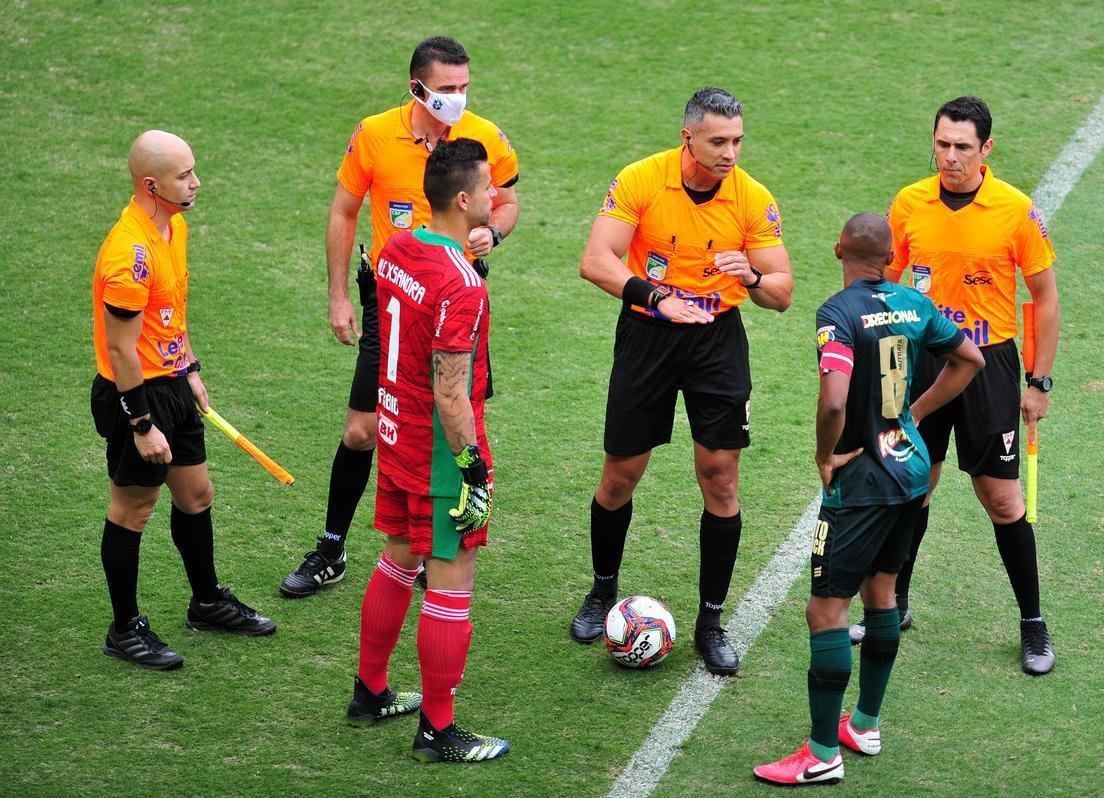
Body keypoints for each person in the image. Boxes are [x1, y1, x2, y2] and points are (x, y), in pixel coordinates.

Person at [280, 35, 519, 598]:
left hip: (454, 298)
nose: (457, 100)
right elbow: (344, 211)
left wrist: (495, 231)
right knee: (365, 429)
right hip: (392, 296)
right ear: (416, 87)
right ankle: (332, 546)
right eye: (445, 90)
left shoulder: (484, 139)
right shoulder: (374, 134)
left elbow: (507, 200)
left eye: (464, 87)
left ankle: (417, 549)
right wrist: (339, 296)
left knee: (445, 417)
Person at [753, 212, 983, 786]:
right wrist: (918, 414)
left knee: (825, 609)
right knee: (882, 592)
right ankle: (866, 723)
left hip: (861, 486)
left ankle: (823, 754)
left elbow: (834, 401)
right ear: (891, 258)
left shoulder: (838, 312)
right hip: (908, 473)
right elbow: (971, 359)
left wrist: (826, 454)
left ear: (838, 251)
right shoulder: (913, 303)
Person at [572, 87, 793, 677]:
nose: (730, 153)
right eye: (718, 141)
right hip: (649, 333)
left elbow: (782, 293)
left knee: (720, 478)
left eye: (738, 140)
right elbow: (597, 259)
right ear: (687, 136)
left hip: (717, 340)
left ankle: (710, 620)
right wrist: (657, 299)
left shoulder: (752, 198)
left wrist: (749, 276)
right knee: (621, 473)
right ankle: (601, 591)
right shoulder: (642, 180)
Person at [863, 96, 1060, 676]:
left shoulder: (1016, 210)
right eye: (942, 144)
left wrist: (1039, 382)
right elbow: (887, 286)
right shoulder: (908, 203)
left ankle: (1032, 623)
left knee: (1001, 498)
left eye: (963, 147)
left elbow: (1044, 299)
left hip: (987, 365)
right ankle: (892, 606)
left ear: (986, 150)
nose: (950, 157)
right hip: (919, 360)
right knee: (911, 483)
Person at [345, 138, 509, 763]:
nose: (496, 198)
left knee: (396, 557)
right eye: (490, 188)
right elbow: (451, 391)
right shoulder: (461, 284)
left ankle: (371, 690)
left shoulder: (398, 245)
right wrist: (472, 469)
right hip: (440, 449)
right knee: (449, 579)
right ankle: (439, 730)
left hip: (394, 430)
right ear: (463, 199)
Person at [91, 130, 276, 671]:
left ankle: (207, 601)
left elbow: (171, 312)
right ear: (152, 185)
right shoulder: (129, 256)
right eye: (185, 175)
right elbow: (123, 351)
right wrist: (142, 424)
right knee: (133, 508)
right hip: (136, 396)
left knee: (196, 494)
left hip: (170, 382)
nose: (196, 182)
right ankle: (124, 629)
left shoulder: (173, 226)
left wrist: (189, 366)